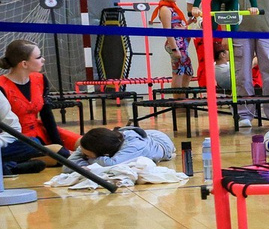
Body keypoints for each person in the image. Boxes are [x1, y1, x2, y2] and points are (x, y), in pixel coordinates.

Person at [1, 41, 78, 171]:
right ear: (24, 64)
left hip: (39, 130)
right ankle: (13, 165)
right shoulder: (2, 86)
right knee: (60, 154)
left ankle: (17, 163)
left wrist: (58, 143)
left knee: (86, 143)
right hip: (17, 137)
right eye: (38, 57)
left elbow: (46, 114)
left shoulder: (40, 79)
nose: (43, 59)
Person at [149, 0, 194, 88]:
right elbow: (168, 30)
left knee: (188, 72)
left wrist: (188, 22)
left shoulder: (173, 8)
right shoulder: (165, 9)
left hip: (182, 43)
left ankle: (183, 95)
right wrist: (174, 49)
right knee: (178, 72)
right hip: (176, 44)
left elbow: (177, 26)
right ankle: (178, 97)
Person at [75, 125, 176, 168]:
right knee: (79, 143)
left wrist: (87, 162)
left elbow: (110, 164)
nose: (84, 156)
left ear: (104, 153)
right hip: (142, 135)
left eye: (87, 155)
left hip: (162, 142)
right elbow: (70, 165)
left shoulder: (133, 147)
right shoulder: (103, 142)